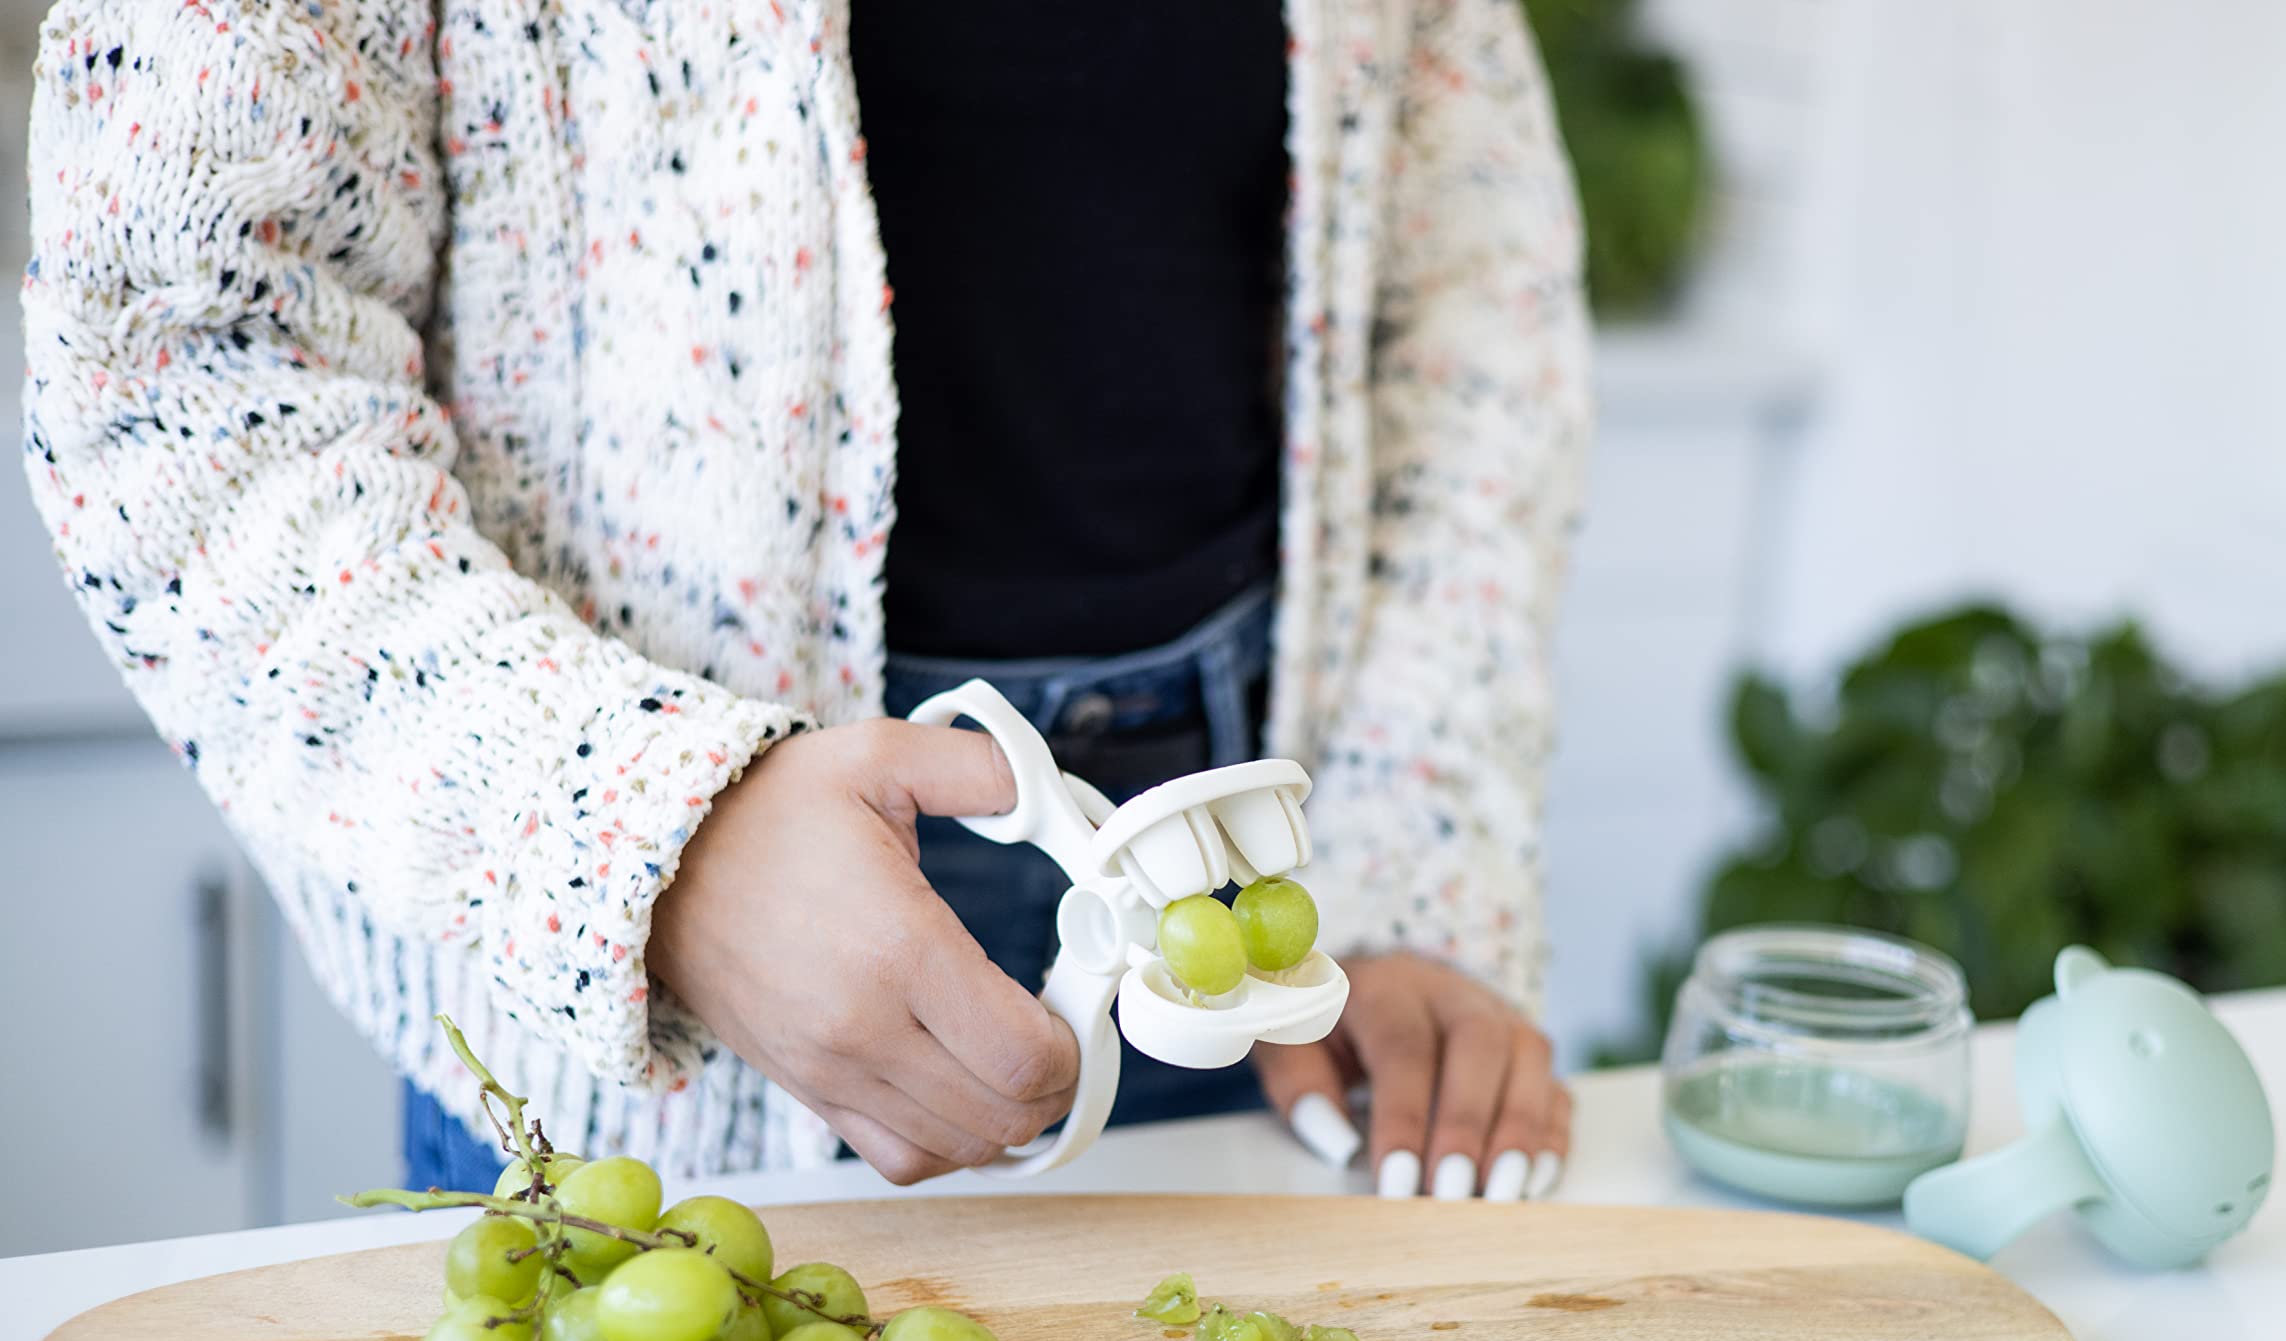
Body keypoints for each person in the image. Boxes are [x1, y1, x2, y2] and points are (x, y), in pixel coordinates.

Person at [23, 1, 1591, 1199]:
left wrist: (1407, 849)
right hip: (652, 1014)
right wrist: (651, 839)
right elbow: (188, 373)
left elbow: (1473, 294)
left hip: (1261, 912)